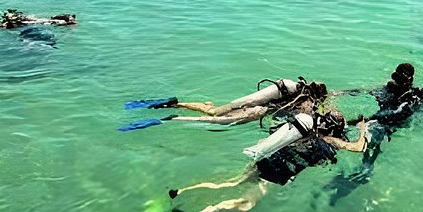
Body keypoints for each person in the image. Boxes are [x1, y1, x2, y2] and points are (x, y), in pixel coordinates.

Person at [166, 102, 370, 212]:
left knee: (231, 182)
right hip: (279, 173)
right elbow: (358, 147)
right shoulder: (330, 140)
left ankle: (181, 191)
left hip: (269, 159)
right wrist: (363, 129)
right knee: (247, 204)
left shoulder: (310, 130)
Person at [322, 63, 423, 205]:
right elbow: (396, 112)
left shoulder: (395, 92)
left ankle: (363, 173)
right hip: (384, 125)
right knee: (372, 149)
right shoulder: (409, 95)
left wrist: (341, 95)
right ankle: (364, 173)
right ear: (411, 78)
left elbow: (369, 93)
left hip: (381, 124)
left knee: (369, 147)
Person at [119, 78, 329, 130]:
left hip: (254, 106)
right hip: (255, 110)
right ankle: (171, 118)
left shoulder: (295, 91)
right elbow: (252, 101)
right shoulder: (299, 98)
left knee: (212, 111)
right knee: (215, 120)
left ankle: (175, 104)